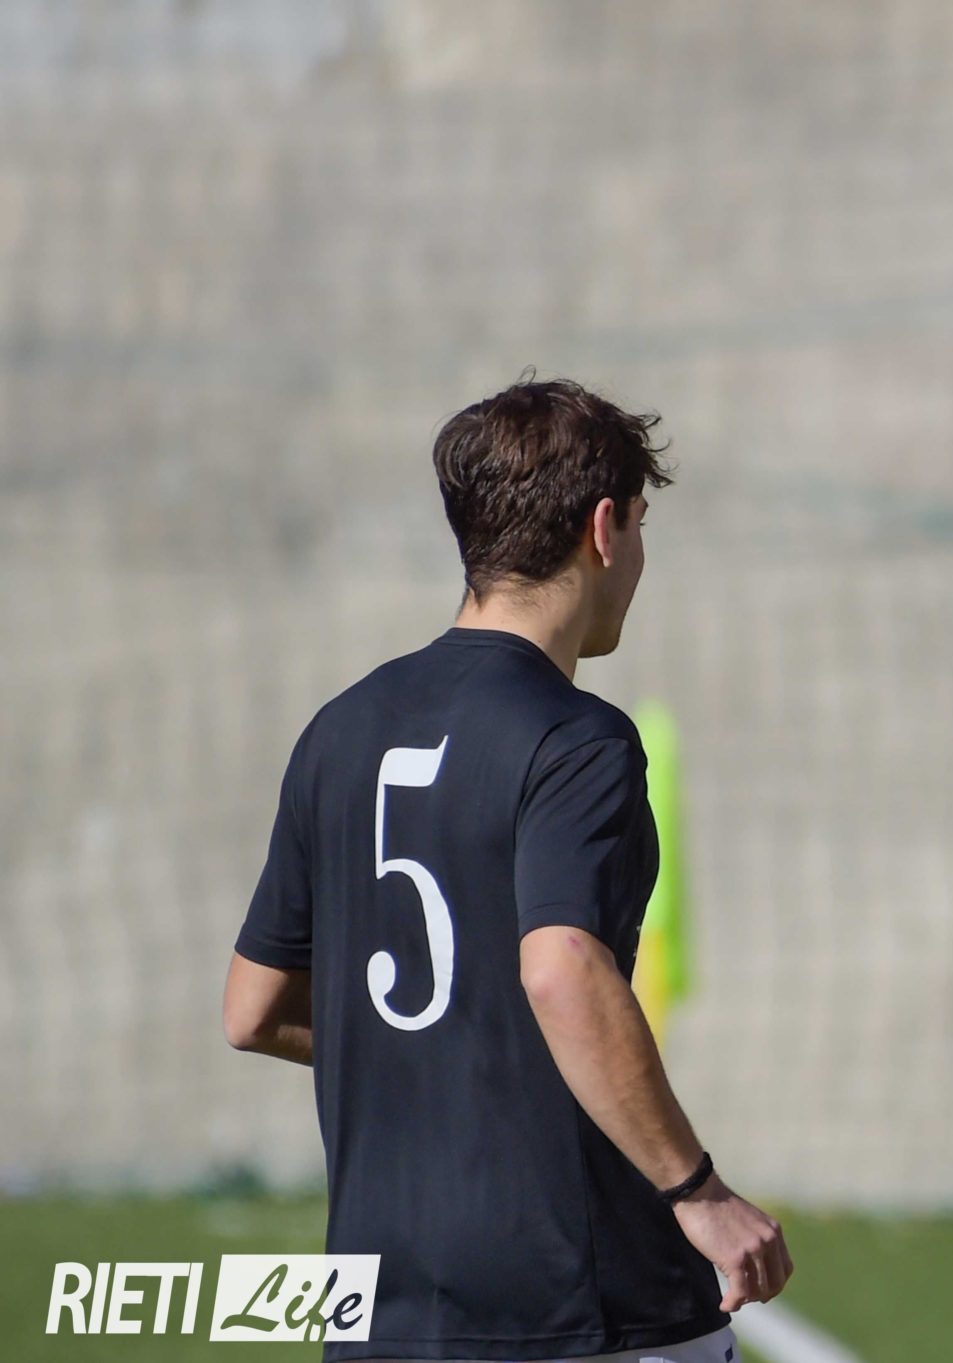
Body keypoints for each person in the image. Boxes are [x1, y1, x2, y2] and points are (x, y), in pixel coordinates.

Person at [222, 376, 791, 1363]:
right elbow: (561, 966)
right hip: (581, 1305)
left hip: (383, 1314)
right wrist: (698, 1192)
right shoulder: (578, 740)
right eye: (642, 524)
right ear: (605, 527)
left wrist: (454, 1054)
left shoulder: (338, 730)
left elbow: (252, 1009)